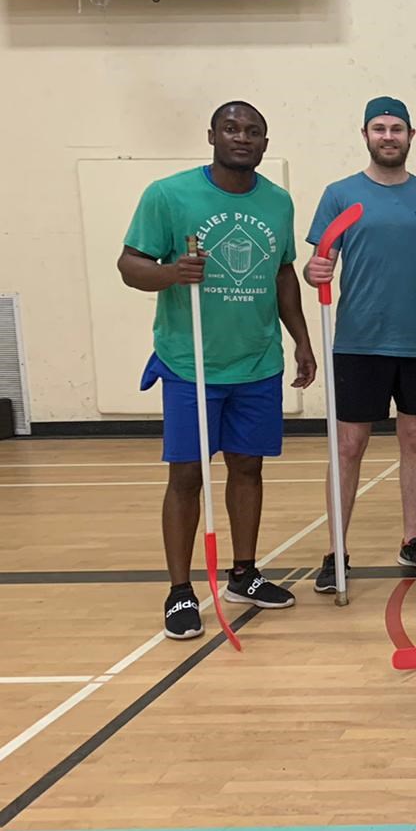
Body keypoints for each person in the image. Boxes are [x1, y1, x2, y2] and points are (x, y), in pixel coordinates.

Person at [118, 101, 316, 639]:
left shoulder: (278, 202)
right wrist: (169, 272)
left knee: (248, 469)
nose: (242, 137)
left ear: (265, 143)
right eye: (231, 128)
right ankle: (181, 591)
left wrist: (301, 340)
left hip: (256, 361)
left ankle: (244, 574)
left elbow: (282, 275)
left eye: (253, 131)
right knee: (186, 475)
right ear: (212, 134)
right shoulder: (169, 194)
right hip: (191, 364)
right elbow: (129, 265)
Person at [305, 97, 416, 589]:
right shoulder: (341, 195)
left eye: (396, 128)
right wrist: (313, 270)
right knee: (350, 445)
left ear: (411, 136)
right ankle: (336, 552)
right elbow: (319, 262)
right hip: (358, 342)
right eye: (379, 128)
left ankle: (412, 539)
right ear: (365, 135)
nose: (388, 136)